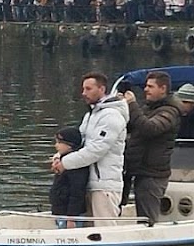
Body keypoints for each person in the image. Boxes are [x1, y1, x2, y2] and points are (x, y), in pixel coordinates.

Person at [53, 72, 127, 224]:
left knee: (105, 229)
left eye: (88, 89)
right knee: (89, 229)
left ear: (101, 89)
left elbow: (96, 150)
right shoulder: (90, 115)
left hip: (104, 184)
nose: (83, 93)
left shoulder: (111, 116)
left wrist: (65, 164)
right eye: (83, 89)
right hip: (89, 181)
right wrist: (58, 157)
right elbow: (77, 143)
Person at [123, 70, 182, 225]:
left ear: (163, 89)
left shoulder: (170, 111)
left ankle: (148, 241)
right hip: (139, 170)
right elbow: (132, 126)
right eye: (145, 86)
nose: (146, 89)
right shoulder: (148, 109)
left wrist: (132, 105)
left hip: (153, 174)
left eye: (150, 86)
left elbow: (149, 129)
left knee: (147, 219)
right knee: (140, 213)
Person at [49, 127, 90, 227]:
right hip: (60, 211)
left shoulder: (76, 166)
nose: (56, 145)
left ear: (69, 145)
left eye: (59, 143)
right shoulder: (62, 160)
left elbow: (77, 192)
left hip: (68, 214)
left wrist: (71, 218)